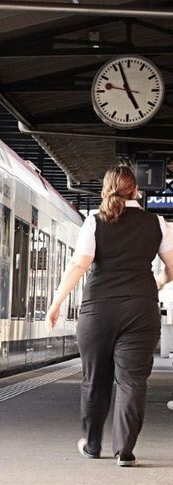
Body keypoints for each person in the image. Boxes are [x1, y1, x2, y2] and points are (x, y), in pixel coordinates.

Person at [46, 164, 173, 467]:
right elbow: (172, 267)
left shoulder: (95, 221)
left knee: (95, 379)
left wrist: (56, 301)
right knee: (132, 381)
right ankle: (125, 450)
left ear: (107, 189)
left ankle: (92, 445)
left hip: (99, 310)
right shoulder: (157, 222)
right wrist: (157, 283)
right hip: (141, 311)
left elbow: (80, 264)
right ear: (136, 189)